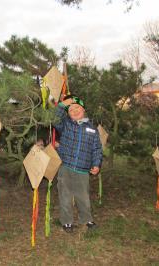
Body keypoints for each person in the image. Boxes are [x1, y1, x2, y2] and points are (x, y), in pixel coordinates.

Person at [54, 95, 102, 233]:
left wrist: (96, 164)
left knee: (83, 197)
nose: (74, 111)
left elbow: (97, 149)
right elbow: (54, 118)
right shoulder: (66, 125)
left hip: (82, 169)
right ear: (67, 113)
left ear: (83, 109)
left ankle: (86, 219)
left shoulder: (92, 129)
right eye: (71, 110)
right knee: (65, 196)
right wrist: (62, 105)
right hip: (66, 166)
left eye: (77, 108)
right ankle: (67, 222)